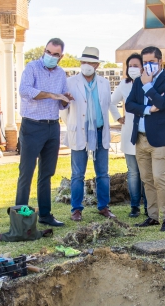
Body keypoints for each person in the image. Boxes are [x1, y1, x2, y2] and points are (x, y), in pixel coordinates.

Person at [16, 38, 74, 227]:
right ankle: (21, 217)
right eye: (49, 52)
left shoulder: (61, 74)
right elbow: (24, 90)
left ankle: (45, 215)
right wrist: (50, 94)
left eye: (56, 54)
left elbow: (62, 102)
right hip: (32, 125)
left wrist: (65, 99)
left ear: (61, 56)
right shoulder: (32, 67)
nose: (51, 56)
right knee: (27, 172)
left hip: (52, 127)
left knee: (47, 173)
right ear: (44, 50)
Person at [125, 46, 165, 232]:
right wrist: (147, 109)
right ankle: (152, 216)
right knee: (147, 179)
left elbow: (164, 103)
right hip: (140, 138)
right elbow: (129, 105)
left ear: (160, 62)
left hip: (159, 139)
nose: (148, 65)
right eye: (145, 62)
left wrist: (148, 86)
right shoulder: (138, 81)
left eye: (151, 62)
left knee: (159, 177)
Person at [61, 47, 116, 221]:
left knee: (103, 173)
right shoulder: (70, 82)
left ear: (97, 65)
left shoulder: (104, 83)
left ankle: (104, 207)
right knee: (77, 173)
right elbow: (64, 109)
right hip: (79, 132)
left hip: (100, 132)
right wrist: (70, 124)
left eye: (90, 62)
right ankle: (76, 209)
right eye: (83, 62)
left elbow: (107, 105)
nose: (86, 65)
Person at [110, 53, 147, 218]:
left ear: (143, 67)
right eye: (130, 65)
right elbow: (111, 101)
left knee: (146, 172)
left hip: (146, 132)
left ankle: (148, 205)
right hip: (128, 132)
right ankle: (134, 206)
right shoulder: (124, 85)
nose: (133, 68)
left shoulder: (149, 83)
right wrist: (118, 117)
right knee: (133, 172)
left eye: (136, 65)